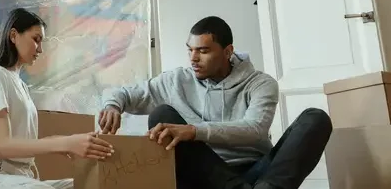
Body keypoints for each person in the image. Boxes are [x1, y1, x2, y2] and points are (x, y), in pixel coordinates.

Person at [98, 16, 332, 189]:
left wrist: (194, 131)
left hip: (256, 171)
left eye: (203, 51)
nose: (193, 59)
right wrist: (113, 105)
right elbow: (127, 93)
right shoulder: (177, 80)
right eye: (190, 50)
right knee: (161, 115)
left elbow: (255, 129)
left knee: (316, 118)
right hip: (204, 176)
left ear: (228, 51)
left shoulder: (260, 83)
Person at [0, 8, 115, 189]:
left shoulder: (21, 85)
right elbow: (3, 146)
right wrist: (64, 143)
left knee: (88, 185)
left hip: (18, 176)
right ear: (14, 35)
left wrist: (67, 144)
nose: (40, 49)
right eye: (36, 39)